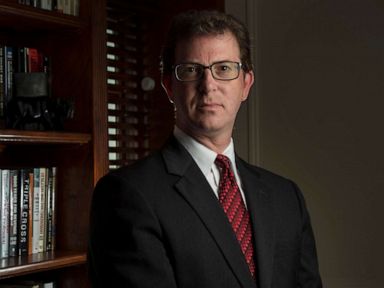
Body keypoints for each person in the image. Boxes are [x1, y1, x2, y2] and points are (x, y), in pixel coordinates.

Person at [88, 10, 322, 288]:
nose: (208, 85)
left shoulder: (287, 197)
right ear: (169, 86)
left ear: (245, 84)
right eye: (191, 70)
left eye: (224, 68)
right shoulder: (126, 194)